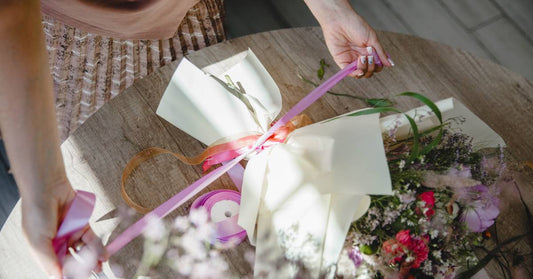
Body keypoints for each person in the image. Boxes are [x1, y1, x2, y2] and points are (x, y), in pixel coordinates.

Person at [0, 0, 393, 277]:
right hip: (64, 37)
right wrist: (47, 187)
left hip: (184, 14)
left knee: (202, 107)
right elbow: (11, 15)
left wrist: (331, 8)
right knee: (102, 136)